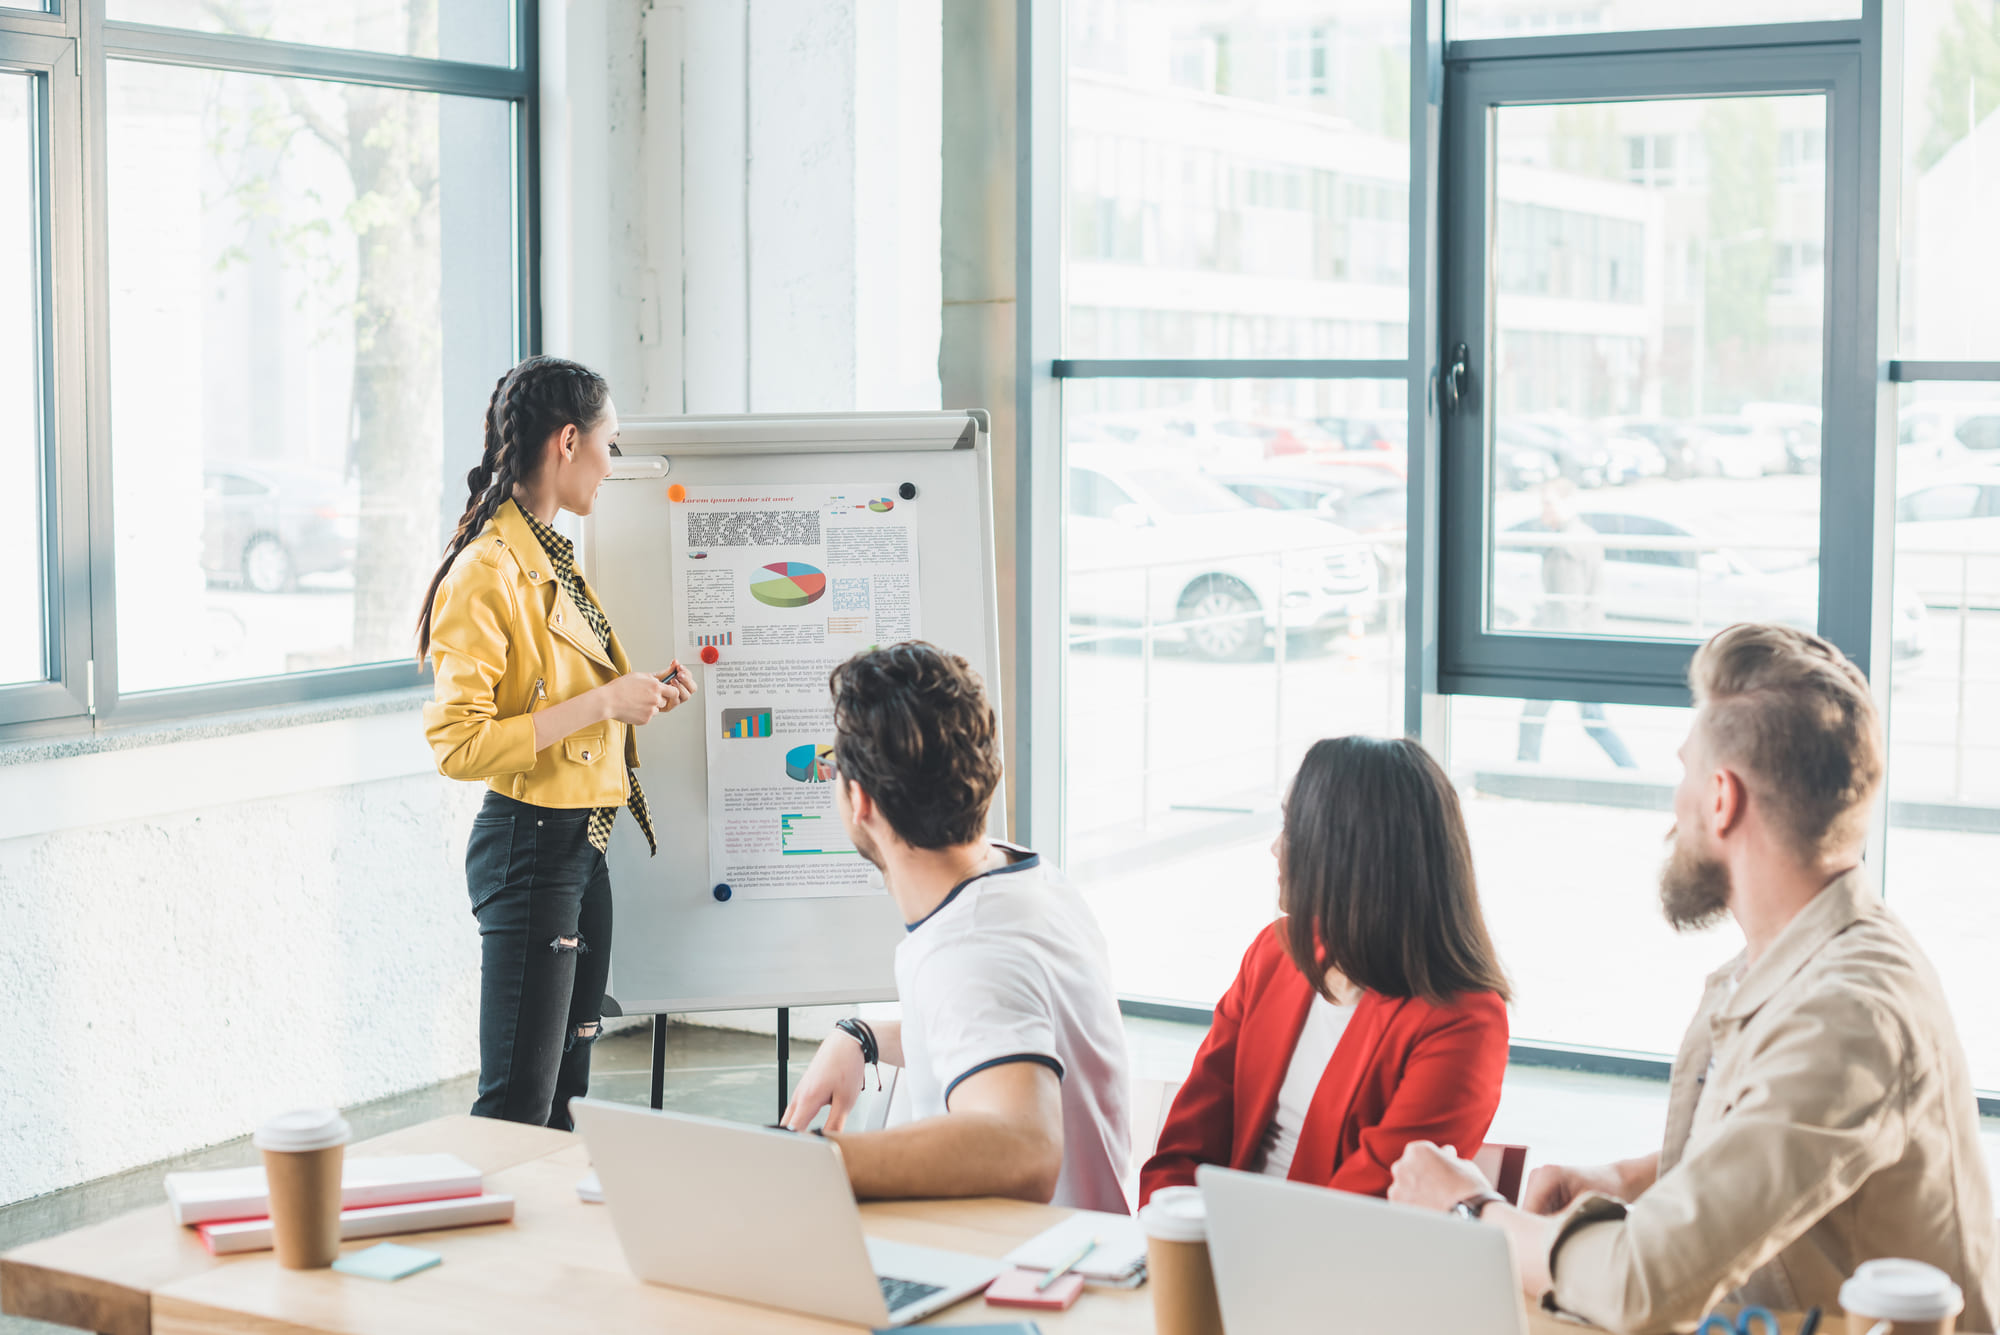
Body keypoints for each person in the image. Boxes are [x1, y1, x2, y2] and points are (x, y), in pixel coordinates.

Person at [1388, 623, 1999, 1334]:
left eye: (1682, 774)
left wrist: (1468, 1210)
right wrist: (1632, 1177)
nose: (1671, 812)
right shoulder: (1791, 958)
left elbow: (1642, 1287)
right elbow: (1785, 1142)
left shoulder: (1849, 1010)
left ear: (1720, 797)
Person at [419, 355, 696, 1131]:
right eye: (610, 443)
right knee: (518, 1103)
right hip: (532, 845)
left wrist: (631, 696)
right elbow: (459, 744)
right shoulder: (487, 570)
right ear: (568, 442)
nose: (614, 464)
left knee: (566, 1097)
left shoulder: (549, 555)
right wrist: (604, 699)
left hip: (581, 843)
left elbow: (559, 692)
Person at [781, 642, 1132, 1212]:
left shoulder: (968, 951)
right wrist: (862, 1035)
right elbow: (989, 1029)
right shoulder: (1025, 878)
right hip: (1087, 1248)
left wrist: (805, 1164)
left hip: (1027, 1273)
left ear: (860, 798)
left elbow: (1026, 1149)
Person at [1139, 736, 1511, 1206]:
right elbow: (1186, 1142)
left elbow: (1362, 1208)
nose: (1275, 848)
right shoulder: (1275, 954)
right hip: (1207, 1243)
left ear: (1351, 857)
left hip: (1325, 1266)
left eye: (1293, 829)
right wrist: (1170, 1230)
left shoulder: (1462, 1022)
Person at [1517, 480, 1636, 769]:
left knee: (1542, 715)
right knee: (1587, 718)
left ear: (1568, 504)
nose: (1543, 509)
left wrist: (1557, 650)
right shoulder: (1582, 536)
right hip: (1582, 641)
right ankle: (1629, 770)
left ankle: (1523, 770)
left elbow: (1567, 604)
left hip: (1568, 645)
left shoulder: (1566, 546)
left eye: (1549, 503)